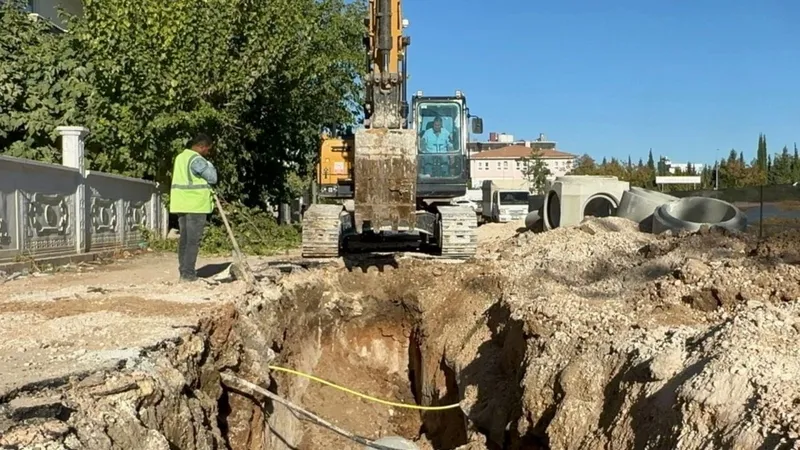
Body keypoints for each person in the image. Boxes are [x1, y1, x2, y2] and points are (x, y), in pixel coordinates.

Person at [169, 133, 217, 282]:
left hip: (181, 204)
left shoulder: (181, 157)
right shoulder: (197, 160)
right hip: (195, 205)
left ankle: (184, 271)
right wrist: (210, 165)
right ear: (201, 147)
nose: (208, 153)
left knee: (184, 239)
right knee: (192, 241)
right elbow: (212, 178)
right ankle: (188, 274)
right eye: (207, 150)